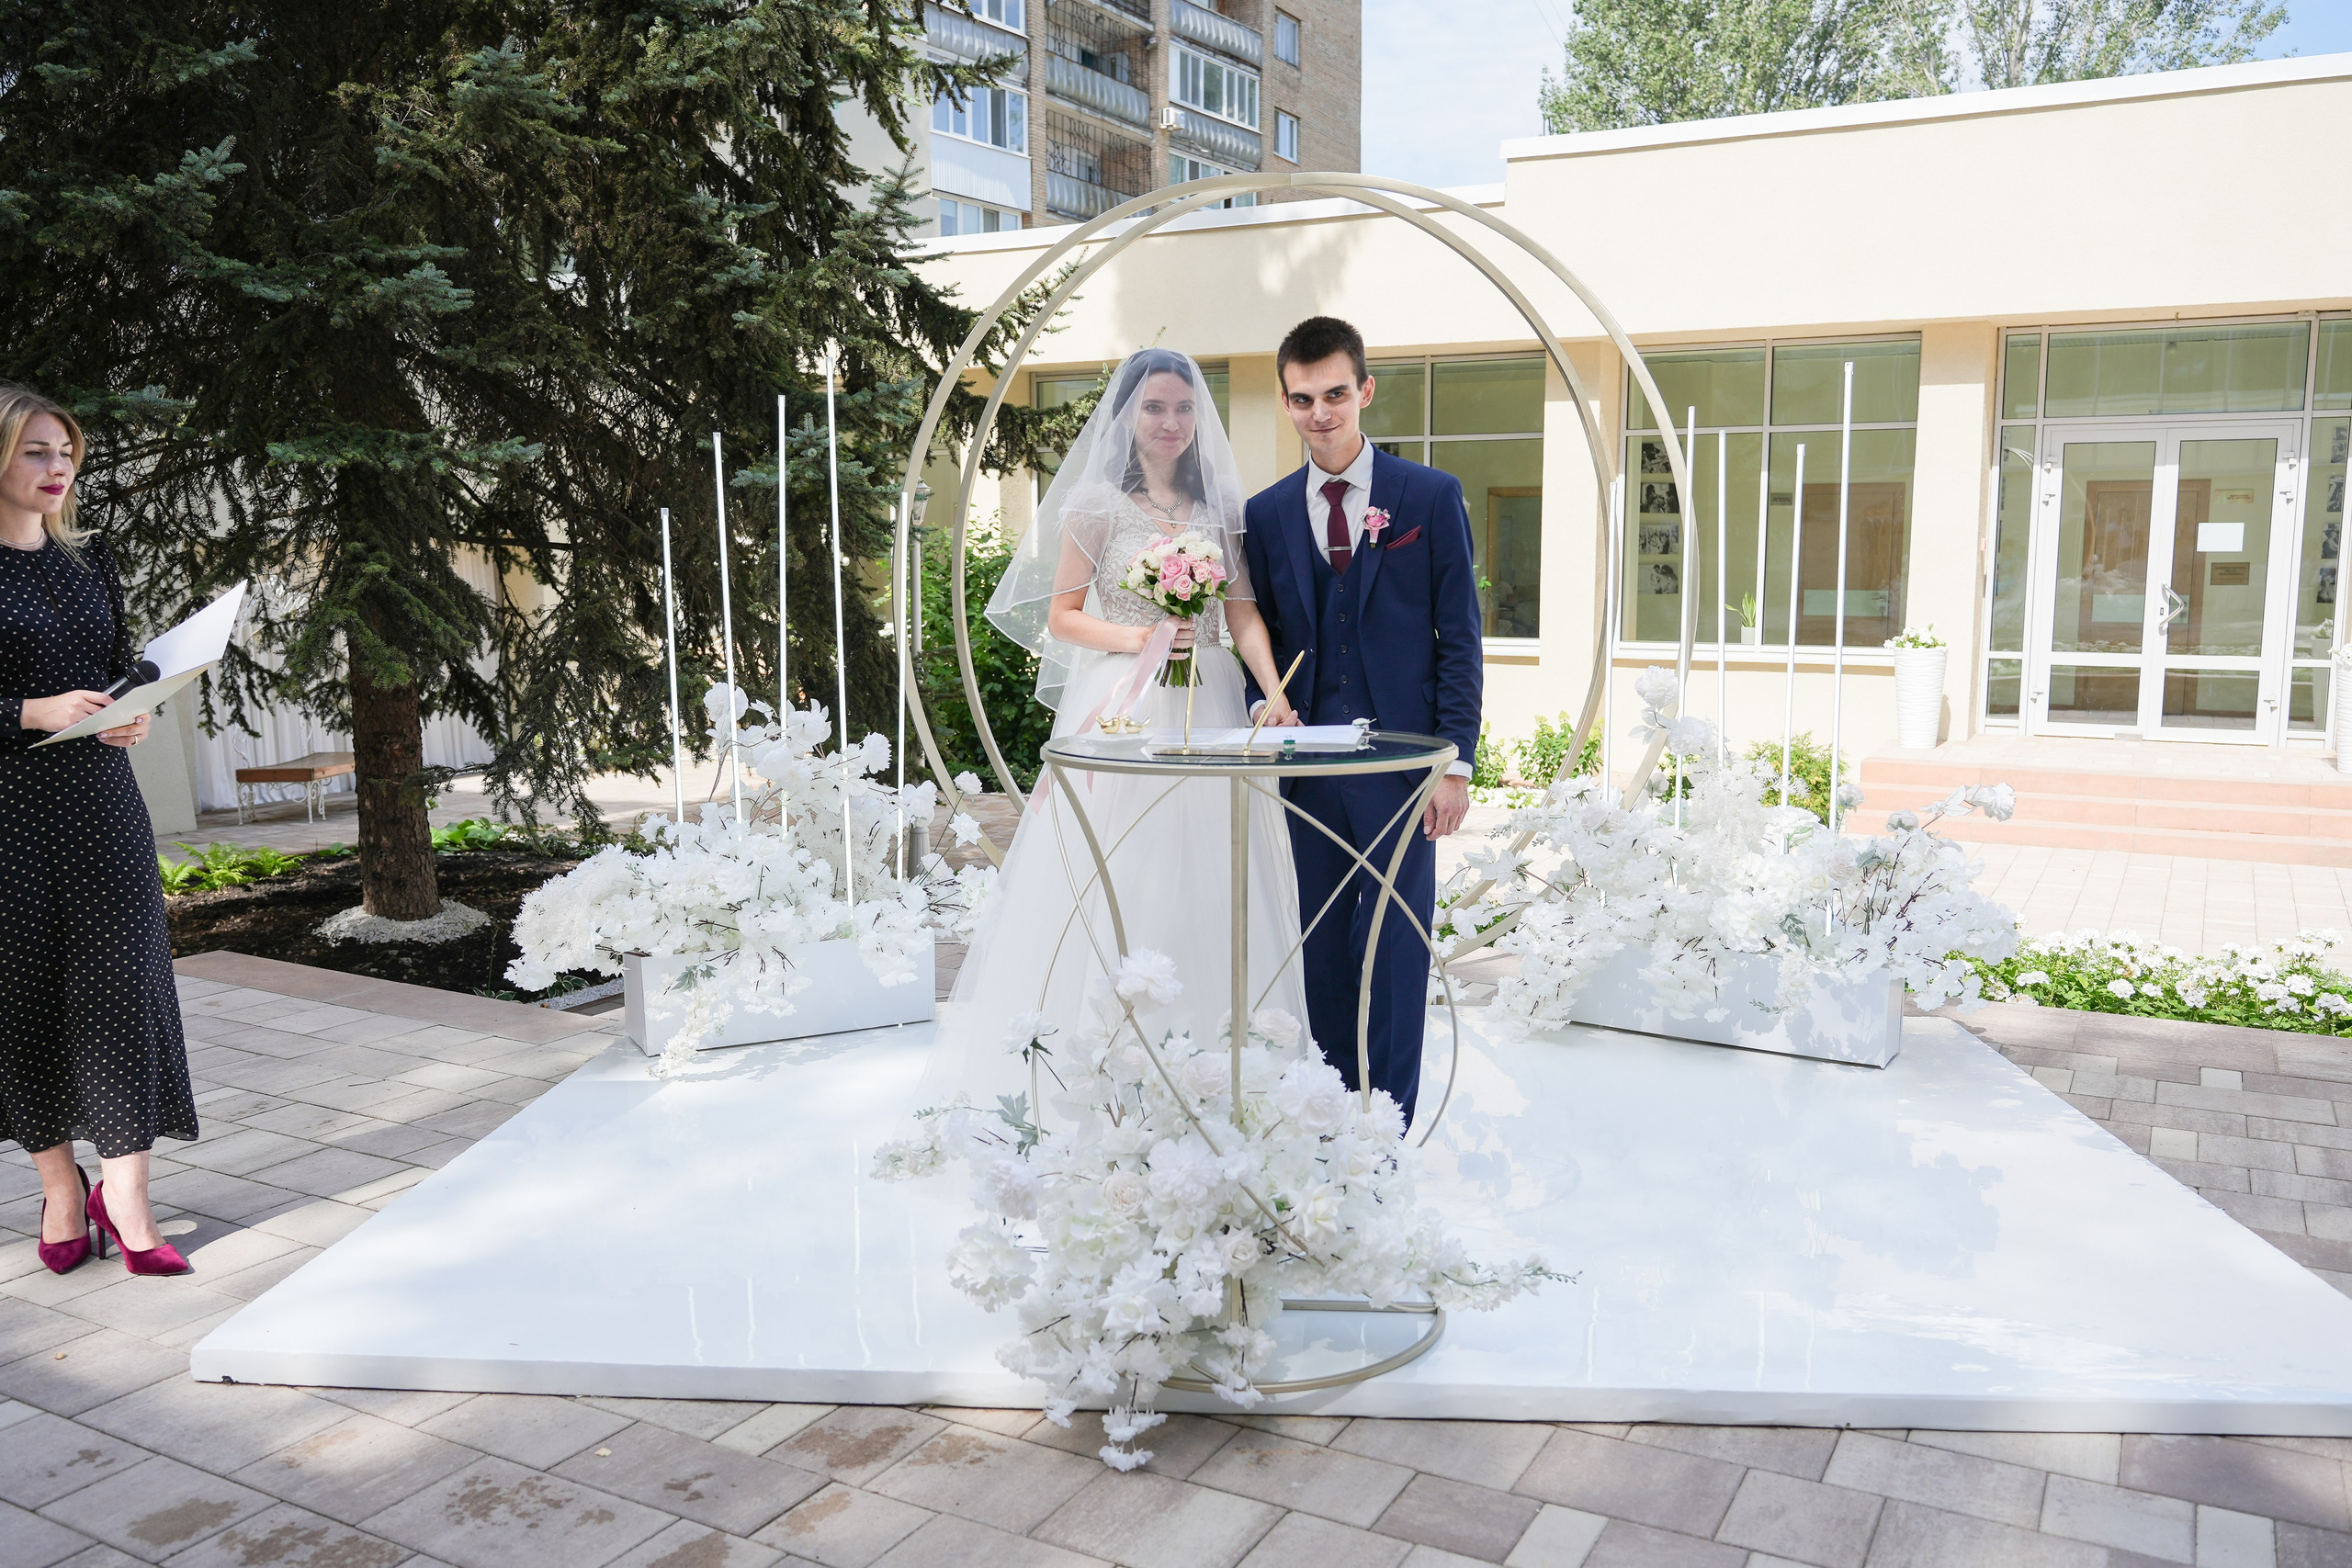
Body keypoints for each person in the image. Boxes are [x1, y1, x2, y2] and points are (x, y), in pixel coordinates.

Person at [931, 349, 1308, 1106]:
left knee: (1214, 868)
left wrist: (1275, 693)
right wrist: (1141, 638)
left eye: (1182, 409)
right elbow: (1063, 617)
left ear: (1199, 418)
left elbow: (1239, 611)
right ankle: (1102, 1069)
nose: (1170, 423)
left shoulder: (1219, 507)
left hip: (1210, 698)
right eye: (1154, 408)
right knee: (1123, 869)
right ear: (1127, 418)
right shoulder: (1098, 505)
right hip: (1127, 705)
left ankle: (1217, 1066)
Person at [1239, 318, 1483, 1127]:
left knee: (1397, 949)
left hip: (1403, 767)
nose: (1321, 412)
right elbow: (1262, 638)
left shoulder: (1429, 496)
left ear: (1365, 391)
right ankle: (1334, 1116)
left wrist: (1456, 763)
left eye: (1335, 393)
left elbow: (1461, 639)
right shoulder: (1267, 513)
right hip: (1310, 769)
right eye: (1303, 398)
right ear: (1285, 402)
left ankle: (1391, 1129)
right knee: (1324, 948)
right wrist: (1264, 699)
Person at [0, 385, 195, 1276]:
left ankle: (129, 1195)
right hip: (10, 809)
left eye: (66, 452)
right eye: (37, 451)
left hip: (101, 799)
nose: (58, 468)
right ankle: (61, 1188)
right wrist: (29, 711)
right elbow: (34, 699)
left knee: (123, 986)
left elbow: (116, 669)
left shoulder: (89, 560)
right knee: (25, 992)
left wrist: (133, 710)